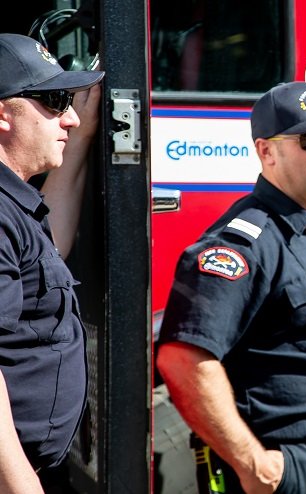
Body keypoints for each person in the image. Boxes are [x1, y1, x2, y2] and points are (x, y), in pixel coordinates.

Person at [156, 81, 306, 494]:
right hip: (296, 471)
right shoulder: (242, 245)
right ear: (266, 151)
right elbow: (183, 360)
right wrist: (257, 467)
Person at [0, 32, 104, 492]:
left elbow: (50, 250)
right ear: (4, 113)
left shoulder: (14, 205)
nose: (71, 118)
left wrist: (79, 143)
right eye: (56, 101)